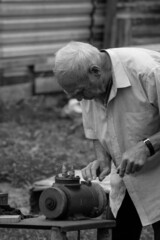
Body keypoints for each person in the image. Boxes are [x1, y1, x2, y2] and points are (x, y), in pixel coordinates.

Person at [54, 41, 160, 240]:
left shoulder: (148, 71)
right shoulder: (89, 88)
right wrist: (102, 159)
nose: (78, 100)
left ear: (95, 71)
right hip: (126, 176)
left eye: (80, 92)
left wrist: (146, 147)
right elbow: (96, 129)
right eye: (73, 94)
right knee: (120, 233)